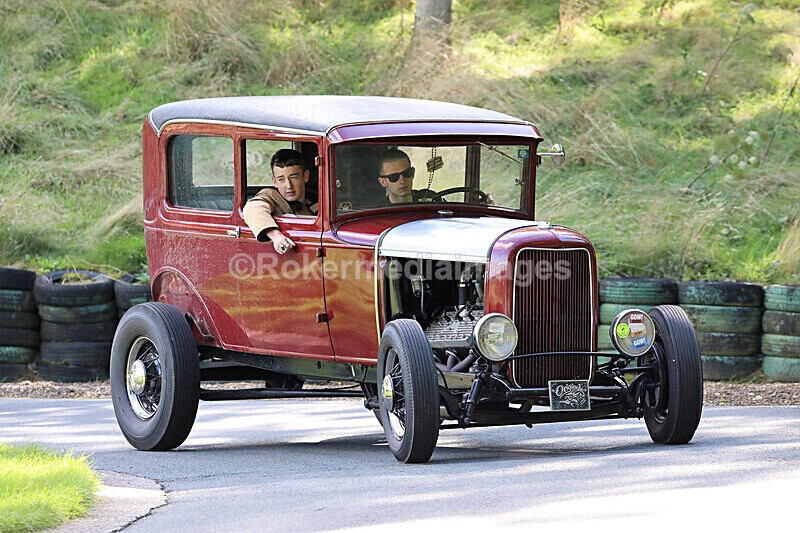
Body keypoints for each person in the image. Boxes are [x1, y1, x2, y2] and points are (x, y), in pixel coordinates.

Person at [243, 149, 317, 254]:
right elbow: (252, 208)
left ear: (306, 176)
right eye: (281, 179)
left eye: (294, 177)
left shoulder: (314, 202)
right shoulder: (271, 196)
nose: (289, 186)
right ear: (274, 182)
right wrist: (275, 236)